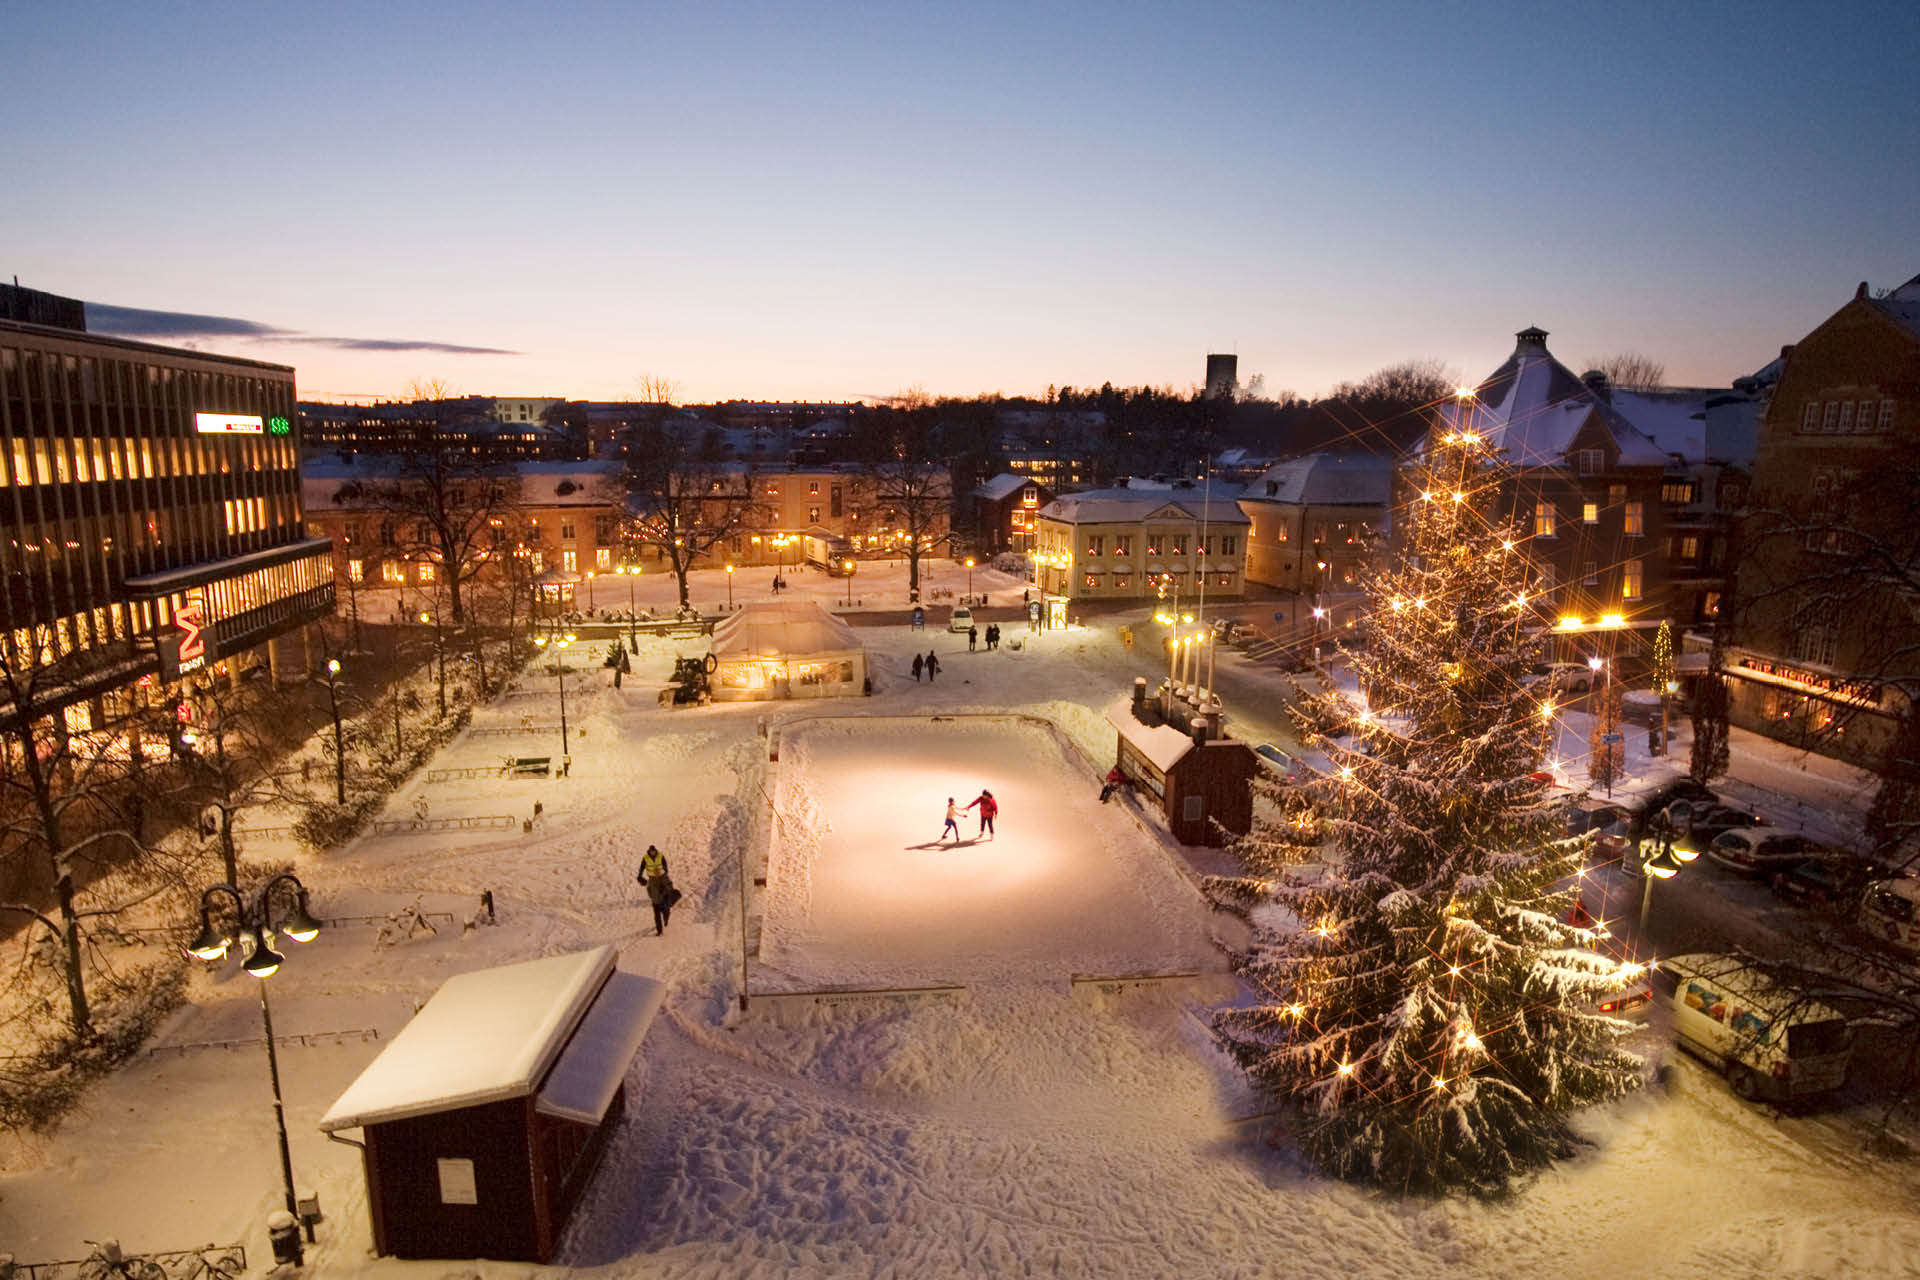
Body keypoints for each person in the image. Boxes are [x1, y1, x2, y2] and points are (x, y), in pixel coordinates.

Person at [638, 844, 674, 934]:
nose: (653, 853)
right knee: (656, 905)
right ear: (649, 851)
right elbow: (641, 868)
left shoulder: (660, 856)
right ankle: (659, 929)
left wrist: (663, 872)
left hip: (662, 877)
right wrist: (640, 876)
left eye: (654, 851)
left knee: (666, 901)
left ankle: (666, 917)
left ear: (656, 851)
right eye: (651, 851)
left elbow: (666, 867)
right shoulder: (645, 858)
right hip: (653, 880)